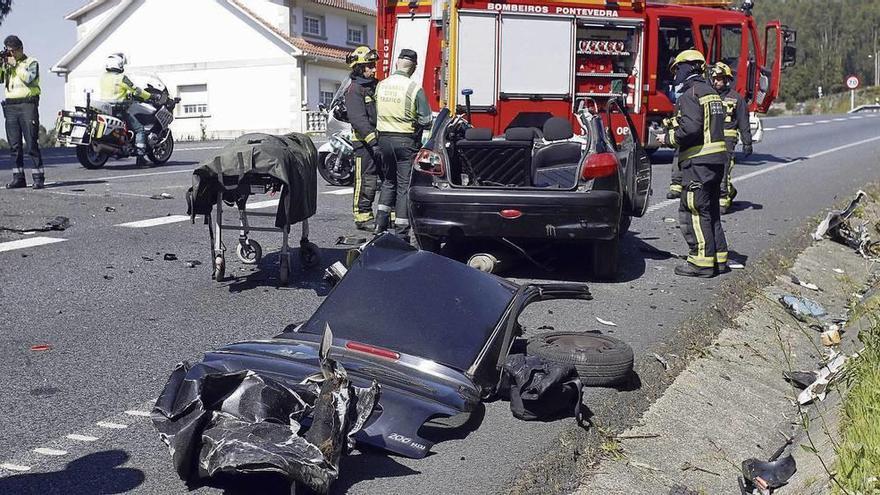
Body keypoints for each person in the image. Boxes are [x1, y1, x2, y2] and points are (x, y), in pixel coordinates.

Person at [658, 50, 729, 278]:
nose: (676, 75)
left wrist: (667, 138)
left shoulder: (690, 94)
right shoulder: (712, 94)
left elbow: (690, 129)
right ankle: (719, 259)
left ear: (687, 68)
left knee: (694, 211)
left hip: (698, 164)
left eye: (677, 69)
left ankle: (700, 263)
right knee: (711, 212)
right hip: (716, 163)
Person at [375, 49, 432, 237]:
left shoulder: (381, 85)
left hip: (383, 140)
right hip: (405, 141)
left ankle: (379, 226)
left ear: (397, 63)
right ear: (413, 67)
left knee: (388, 181)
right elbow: (425, 120)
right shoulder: (414, 88)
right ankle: (401, 231)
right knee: (403, 185)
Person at [344, 46, 381, 231]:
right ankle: (363, 216)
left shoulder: (376, 85)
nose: (374, 69)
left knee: (387, 179)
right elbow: (358, 119)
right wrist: (373, 141)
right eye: (370, 66)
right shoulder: (354, 90)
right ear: (359, 67)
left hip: (380, 142)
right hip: (364, 144)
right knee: (366, 180)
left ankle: (387, 215)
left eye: (374, 65)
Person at [1, 35, 45, 189]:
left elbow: (30, 79)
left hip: (27, 105)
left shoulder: (31, 62)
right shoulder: (8, 64)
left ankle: (38, 177)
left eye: (12, 51)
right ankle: (18, 177)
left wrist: (15, 66)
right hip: (11, 106)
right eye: (8, 51)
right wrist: (2, 64)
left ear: (20, 49)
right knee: (14, 145)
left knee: (31, 142)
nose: (10, 54)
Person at [710, 62, 752, 213]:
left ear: (726, 79)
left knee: (724, 169)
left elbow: (743, 121)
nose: (716, 81)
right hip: (710, 139)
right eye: (714, 78)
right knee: (710, 171)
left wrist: (747, 143)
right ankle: (730, 191)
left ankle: (723, 200)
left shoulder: (737, 99)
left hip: (727, 140)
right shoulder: (708, 97)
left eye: (719, 79)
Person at [99, 53, 152, 166]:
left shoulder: (104, 77)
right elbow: (135, 90)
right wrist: (149, 96)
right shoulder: (121, 78)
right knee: (140, 129)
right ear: (119, 64)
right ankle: (140, 156)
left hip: (105, 108)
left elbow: (117, 91)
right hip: (119, 109)